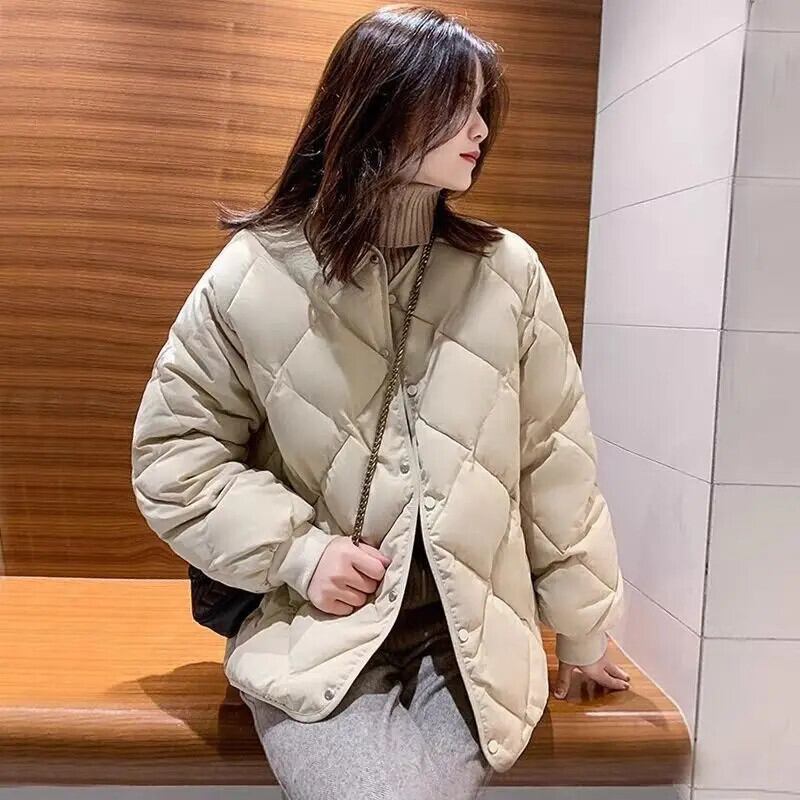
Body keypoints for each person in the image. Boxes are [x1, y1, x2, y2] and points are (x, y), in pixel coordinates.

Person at [130, 5, 630, 799]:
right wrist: (301, 554)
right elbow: (174, 457)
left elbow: (555, 461)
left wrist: (583, 632)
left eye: (482, 108)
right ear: (383, 104)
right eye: (458, 105)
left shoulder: (508, 273)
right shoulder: (253, 274)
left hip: (474, 638)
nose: (480, 129)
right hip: (316, 629)